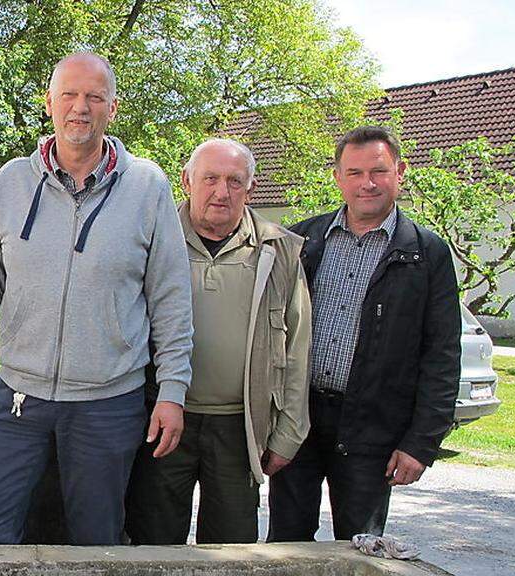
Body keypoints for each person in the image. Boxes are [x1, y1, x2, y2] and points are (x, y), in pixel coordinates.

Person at [0, 52, 193, 545]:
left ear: (112, 108)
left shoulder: (148, 186)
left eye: (94, 97)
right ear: (50, 104)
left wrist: (172, 391)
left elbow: (170, 298)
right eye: (69, 95)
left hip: (108, 401)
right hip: (16, 394)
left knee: (95, 546)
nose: (80, 108)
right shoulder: (12, 180)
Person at [269, 126, 461, 541]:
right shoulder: (303, 240)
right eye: (354, 173)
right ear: (337, 177)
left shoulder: (426, 254)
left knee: (359, 550)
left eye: (379, 171)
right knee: (285, 544)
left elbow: (442, 354)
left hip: (372, 428)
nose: (367, 183)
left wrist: (421, 442)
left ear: (400, 172)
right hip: (299, 418)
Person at [125, 138, 310, 545]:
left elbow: (297, 349)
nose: (221, 192)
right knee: (152, 545)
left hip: (239, 425)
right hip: (162, 417)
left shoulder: (278, 252)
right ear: (187, 181)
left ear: (251, 188)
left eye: (234, 181)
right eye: (210, 178)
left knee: (232, 552)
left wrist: (289, 433)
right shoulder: (149, 240)